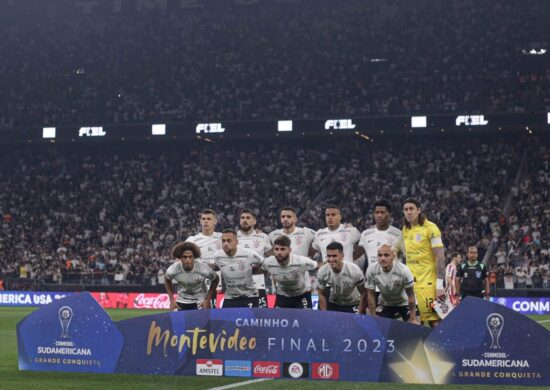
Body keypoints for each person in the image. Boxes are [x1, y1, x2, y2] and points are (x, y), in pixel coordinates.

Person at [402, 198, 445, 327]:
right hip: (411, 285)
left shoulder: (431, 228)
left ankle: (440, 347)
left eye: (411, 209)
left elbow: (440, 257)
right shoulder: (405, 229)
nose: (409, 212)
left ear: (419, 210)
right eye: (406, 209)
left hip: (428, 283)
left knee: (435, 322)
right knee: (413, 323)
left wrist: (439, 286)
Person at [360, 245, 418, 324]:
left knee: (415, 326)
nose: (382, 258)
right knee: (376, 326)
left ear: (393, 257)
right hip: (385, 304)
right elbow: (370, 295)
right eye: (380, 255)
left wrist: (413, 319)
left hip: (404, 303)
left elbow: (411, 295)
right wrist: (373, 315)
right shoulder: (372, 269)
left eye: (386, 255)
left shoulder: (404, 270)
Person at [262, 235, 318, 309]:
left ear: (289, 250)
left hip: (302, 295)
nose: (279, 252)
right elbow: (256, 269)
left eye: (282, 249)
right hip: (282, 296)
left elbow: (318, 266)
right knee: (279, 319)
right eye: (276, 249)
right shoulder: (268, 262)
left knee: (305, 319)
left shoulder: (301, 261)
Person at [212, 228, 264, 308]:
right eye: (223, 241)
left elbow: (263, 264)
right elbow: (216, 267)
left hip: (249, 297)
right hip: (229, 297)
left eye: (229, 241)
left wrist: (253, 271)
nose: (225, 243)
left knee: (249, 320)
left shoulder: (249, 254)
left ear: (236, 242)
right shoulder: (218, 256)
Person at [269, 206, 316, 291]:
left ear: (295, 219)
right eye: (283, 217)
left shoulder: (306, 232)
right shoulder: (273, 235)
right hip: (281, 282)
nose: (285, 219)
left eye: (289, 217)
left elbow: (323, 237)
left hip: (302, 282)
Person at [165, 242, 219, 311]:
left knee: (202, 321)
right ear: (180, 258)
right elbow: (167, 279)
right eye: (185, 257)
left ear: (194, 257)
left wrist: (208, 299)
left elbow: (216, 279)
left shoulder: (202, 268)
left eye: (190, 257)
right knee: (178, 321)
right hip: (182, 300)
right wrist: (172, 300)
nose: (188, 260)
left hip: (200, 300)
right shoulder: (173, 269)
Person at [185, 209, 223, 306]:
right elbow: (181, 259)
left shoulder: (222, 238)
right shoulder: (192, 240)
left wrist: (256, 230)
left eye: (209, 219)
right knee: (199, 315)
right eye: (203, 219)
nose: (206, 221)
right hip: (198, 283)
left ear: (215, 221)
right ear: (200, 221)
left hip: (216, 281)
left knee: (212, 312)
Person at [317, 242, 366, 313]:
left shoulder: (354, 270)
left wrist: (360, 313)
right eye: (328, 256)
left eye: (334, 256)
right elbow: (320, 293)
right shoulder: (322, 271)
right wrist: (324, 314)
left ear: (342, 256)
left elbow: (364, 293)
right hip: (335, 303)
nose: (331, 259)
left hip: (353, 303)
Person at [358, 200, 405, 273]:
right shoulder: (365, 234)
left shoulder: (398, 234)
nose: (379, 215)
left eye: (382, 212)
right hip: (372, 279)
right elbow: (359, 257)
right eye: (377, 212)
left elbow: (404, 256)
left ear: (389, 214)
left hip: (393, 279)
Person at [236, 209, 271, 307]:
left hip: (258, 284)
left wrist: (263, 268)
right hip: (238, 285)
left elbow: (270, 259)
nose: (244, 220)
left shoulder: (263, 237)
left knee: (261, 317)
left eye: (248, 218)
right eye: (242, 218)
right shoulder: (234, 237)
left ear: (254, 221)